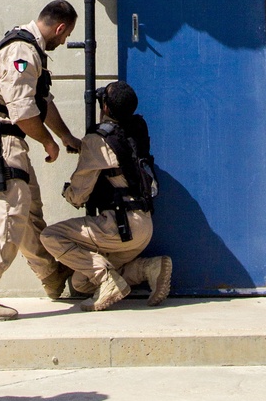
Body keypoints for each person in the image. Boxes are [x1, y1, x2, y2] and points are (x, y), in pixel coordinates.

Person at [0, 1, 81, 320]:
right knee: (11, 211)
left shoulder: (29, 49)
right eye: (67, 35)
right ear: (61, 28)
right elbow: (23, 111)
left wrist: (65, 137)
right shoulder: (22, 54)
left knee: (28, 209)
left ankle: (52, 277)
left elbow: (41, 101)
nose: (64, 42)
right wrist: (47, 142)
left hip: (6, 136)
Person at [41, 81, 172, 311]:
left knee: (50, 236)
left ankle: (106, 280)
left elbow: (79, 196)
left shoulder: (98, 139)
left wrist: (68, 193)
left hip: (120, 227)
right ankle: (149, 268)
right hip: (144, 225)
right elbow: (113, 156)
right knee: (80, 283)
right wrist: (84, 148)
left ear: (106, 109)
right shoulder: (136, 129)